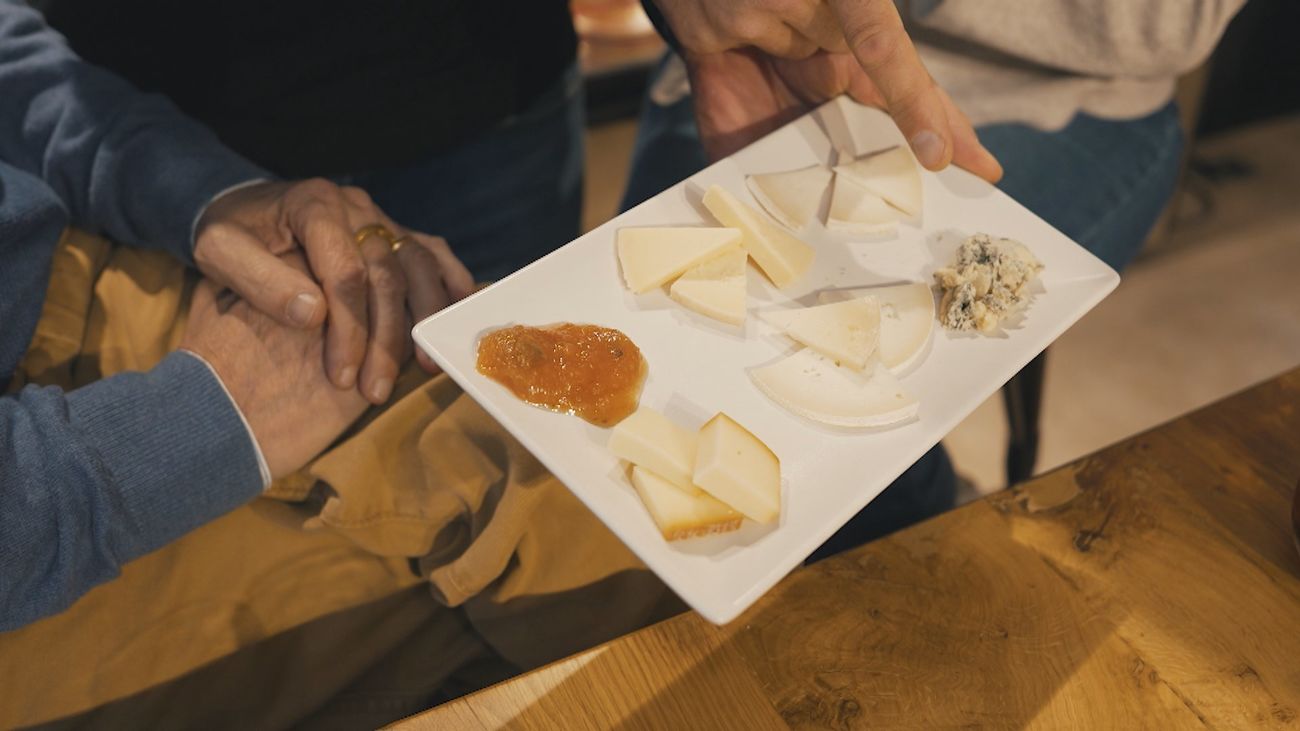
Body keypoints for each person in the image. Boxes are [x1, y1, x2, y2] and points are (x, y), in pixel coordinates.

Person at [626, 0, 1247, 555]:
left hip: (1058, 95)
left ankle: (912, 542)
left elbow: (1167, 24)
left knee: (840, 445)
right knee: (659, 364)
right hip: (763, 41)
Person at [0, 0, 474, 630]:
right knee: (541, 510)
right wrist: (198, 420)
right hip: (46, 505)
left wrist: (209, 195)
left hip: (68, 267)